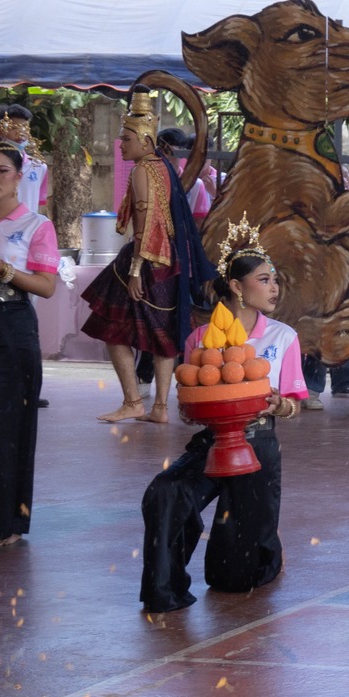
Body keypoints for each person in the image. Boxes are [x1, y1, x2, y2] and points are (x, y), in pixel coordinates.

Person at [140, 247, 304, 611]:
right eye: (264, 280)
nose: (274, 287)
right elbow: (190, 403)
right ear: (235, 285)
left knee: (232, 579)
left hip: (257, 444)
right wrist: (191, 410)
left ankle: (267, 550)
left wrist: (280, 404)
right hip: (211, 443)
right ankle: (164, 589)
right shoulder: (200, 340)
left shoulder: (282, 337)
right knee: (165, 492)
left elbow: (295, 405)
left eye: (275, 280)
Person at [81, 93, 211, 425]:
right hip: (170, 260)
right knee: (163, 336)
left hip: (145, 260)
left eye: (126, 138)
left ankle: (132, 401)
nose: (120, 145)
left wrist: (137, 269)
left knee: (112, 330)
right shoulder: (163, 167)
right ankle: (161, 409)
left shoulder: (142, 171)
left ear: (145, 140)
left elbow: (146, 224)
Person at [0, 127, 59, 545]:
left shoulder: (35, 225)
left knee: (9, 424)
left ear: (19, 176)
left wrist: (6, 271)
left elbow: (47, 286)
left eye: (1, 171)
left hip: (11, 327)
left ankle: (6, 521)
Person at [0, 104, 51, 217]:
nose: (21, 133)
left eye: (24, 127)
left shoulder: (39, 167)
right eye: (14, 128)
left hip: (27, 230)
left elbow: (38, 204)